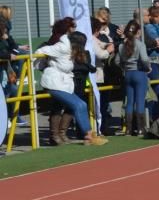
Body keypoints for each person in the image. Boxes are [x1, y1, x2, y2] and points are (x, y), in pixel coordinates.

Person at [36, 18, 106, 146]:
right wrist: (43, 64)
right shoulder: (62, 46)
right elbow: (40, 51)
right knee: (78, 105)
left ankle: (85, 135)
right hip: (54, 81)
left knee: (79, 105)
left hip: (63, 82)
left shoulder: (68, 46)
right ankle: (88, 136)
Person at [118, 20, 151, 136]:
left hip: (127, 74)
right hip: (139, 73)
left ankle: (128, 129)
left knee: (130, 102)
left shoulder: (122, 45)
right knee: (140, 101)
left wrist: (125, 67)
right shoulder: (140, 44)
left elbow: (118, 61)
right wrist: (148, 67)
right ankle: (141, 129)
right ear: (138, 32)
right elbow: (145, 59)